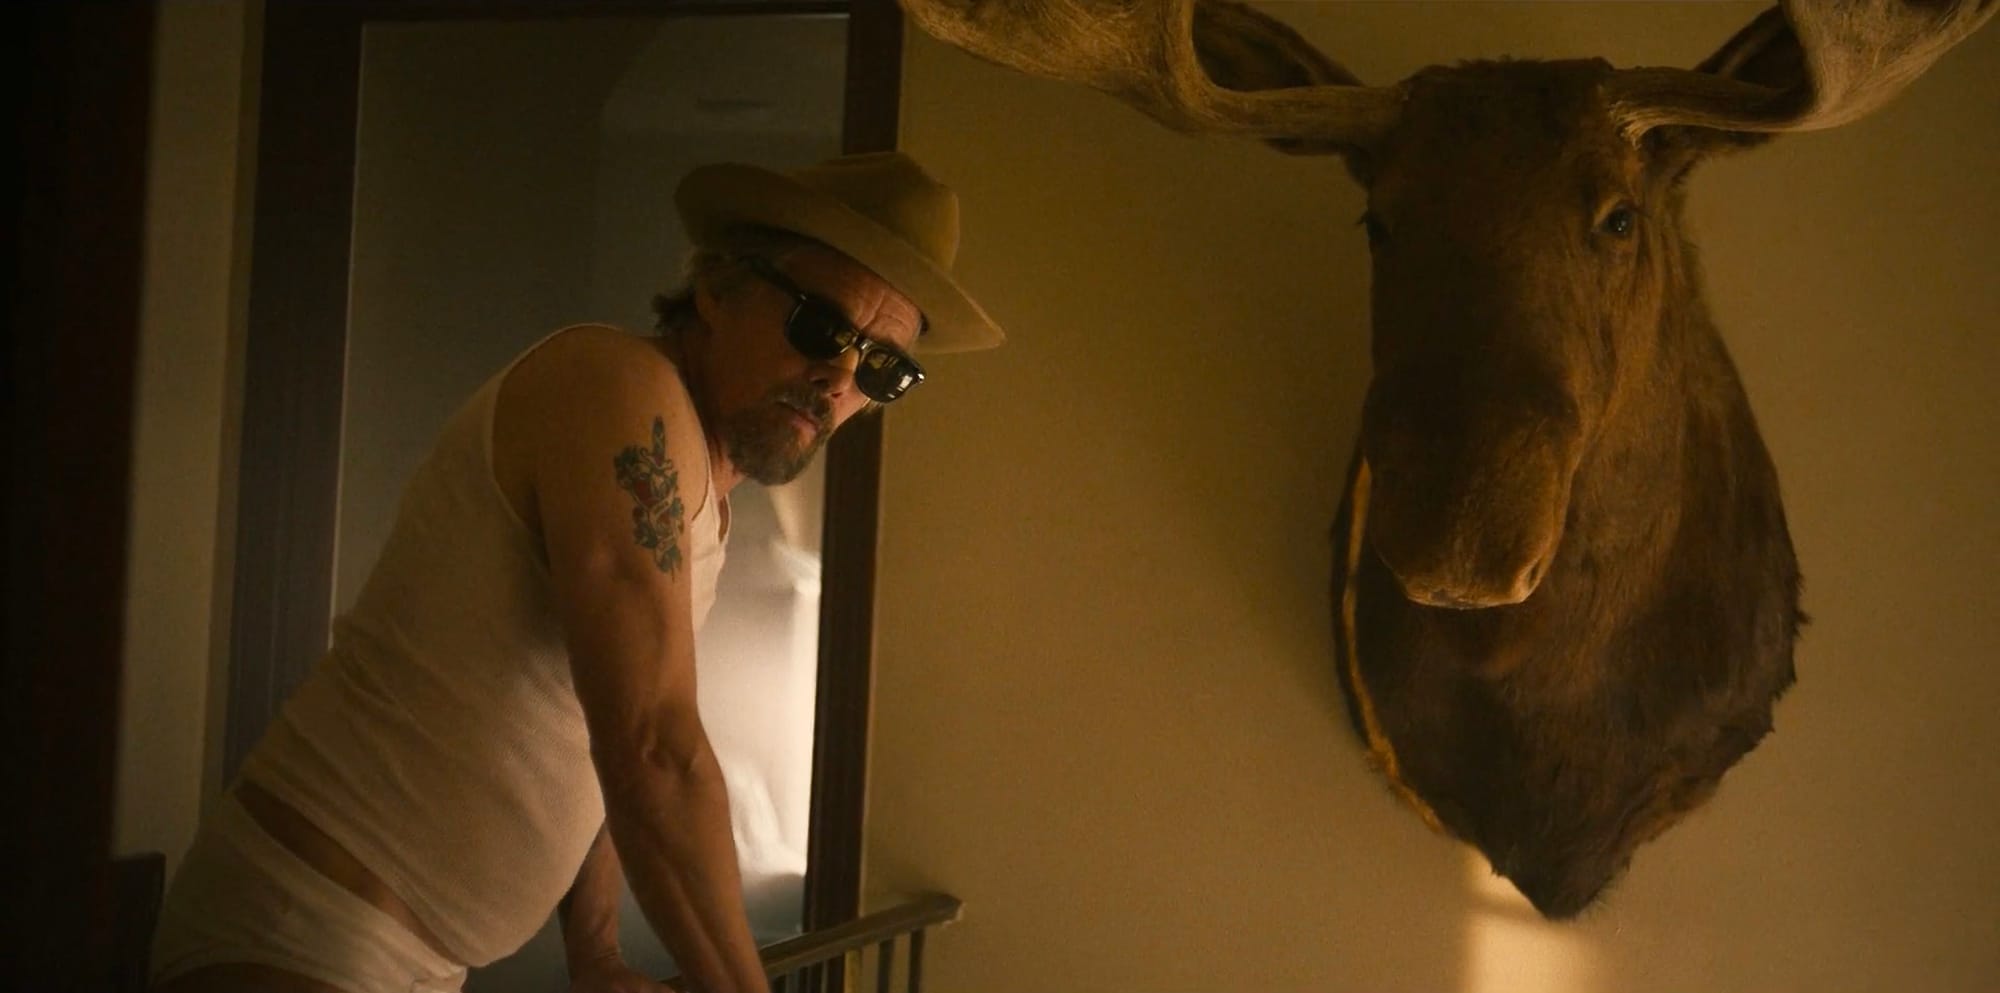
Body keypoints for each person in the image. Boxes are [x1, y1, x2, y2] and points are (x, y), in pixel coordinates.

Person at [148, 151, 1005, 993]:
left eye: (883, 366)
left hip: (416, 959)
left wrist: (595, 952)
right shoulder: (619, 387)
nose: (840, 377)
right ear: (720, 286)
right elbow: (652, 749)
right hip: (303, 927)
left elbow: (597, 731)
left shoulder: (703, 498)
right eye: (821, 327)